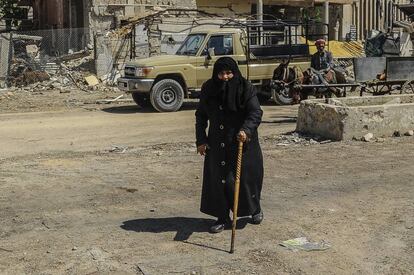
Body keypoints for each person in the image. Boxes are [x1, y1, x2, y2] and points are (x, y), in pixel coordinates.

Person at [195, 57, 264, 234]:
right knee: (219, 181)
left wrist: (246, 130)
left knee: (245, 180)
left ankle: (254, 209)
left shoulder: (246, 88)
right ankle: (222, 217)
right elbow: (201, 116)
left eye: (229, 73)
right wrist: (201, 140)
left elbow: (255, 112)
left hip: (242, 142)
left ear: (235, 72)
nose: (225, 77)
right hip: (217, 144)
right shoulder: (208, 89)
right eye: (221, 73)